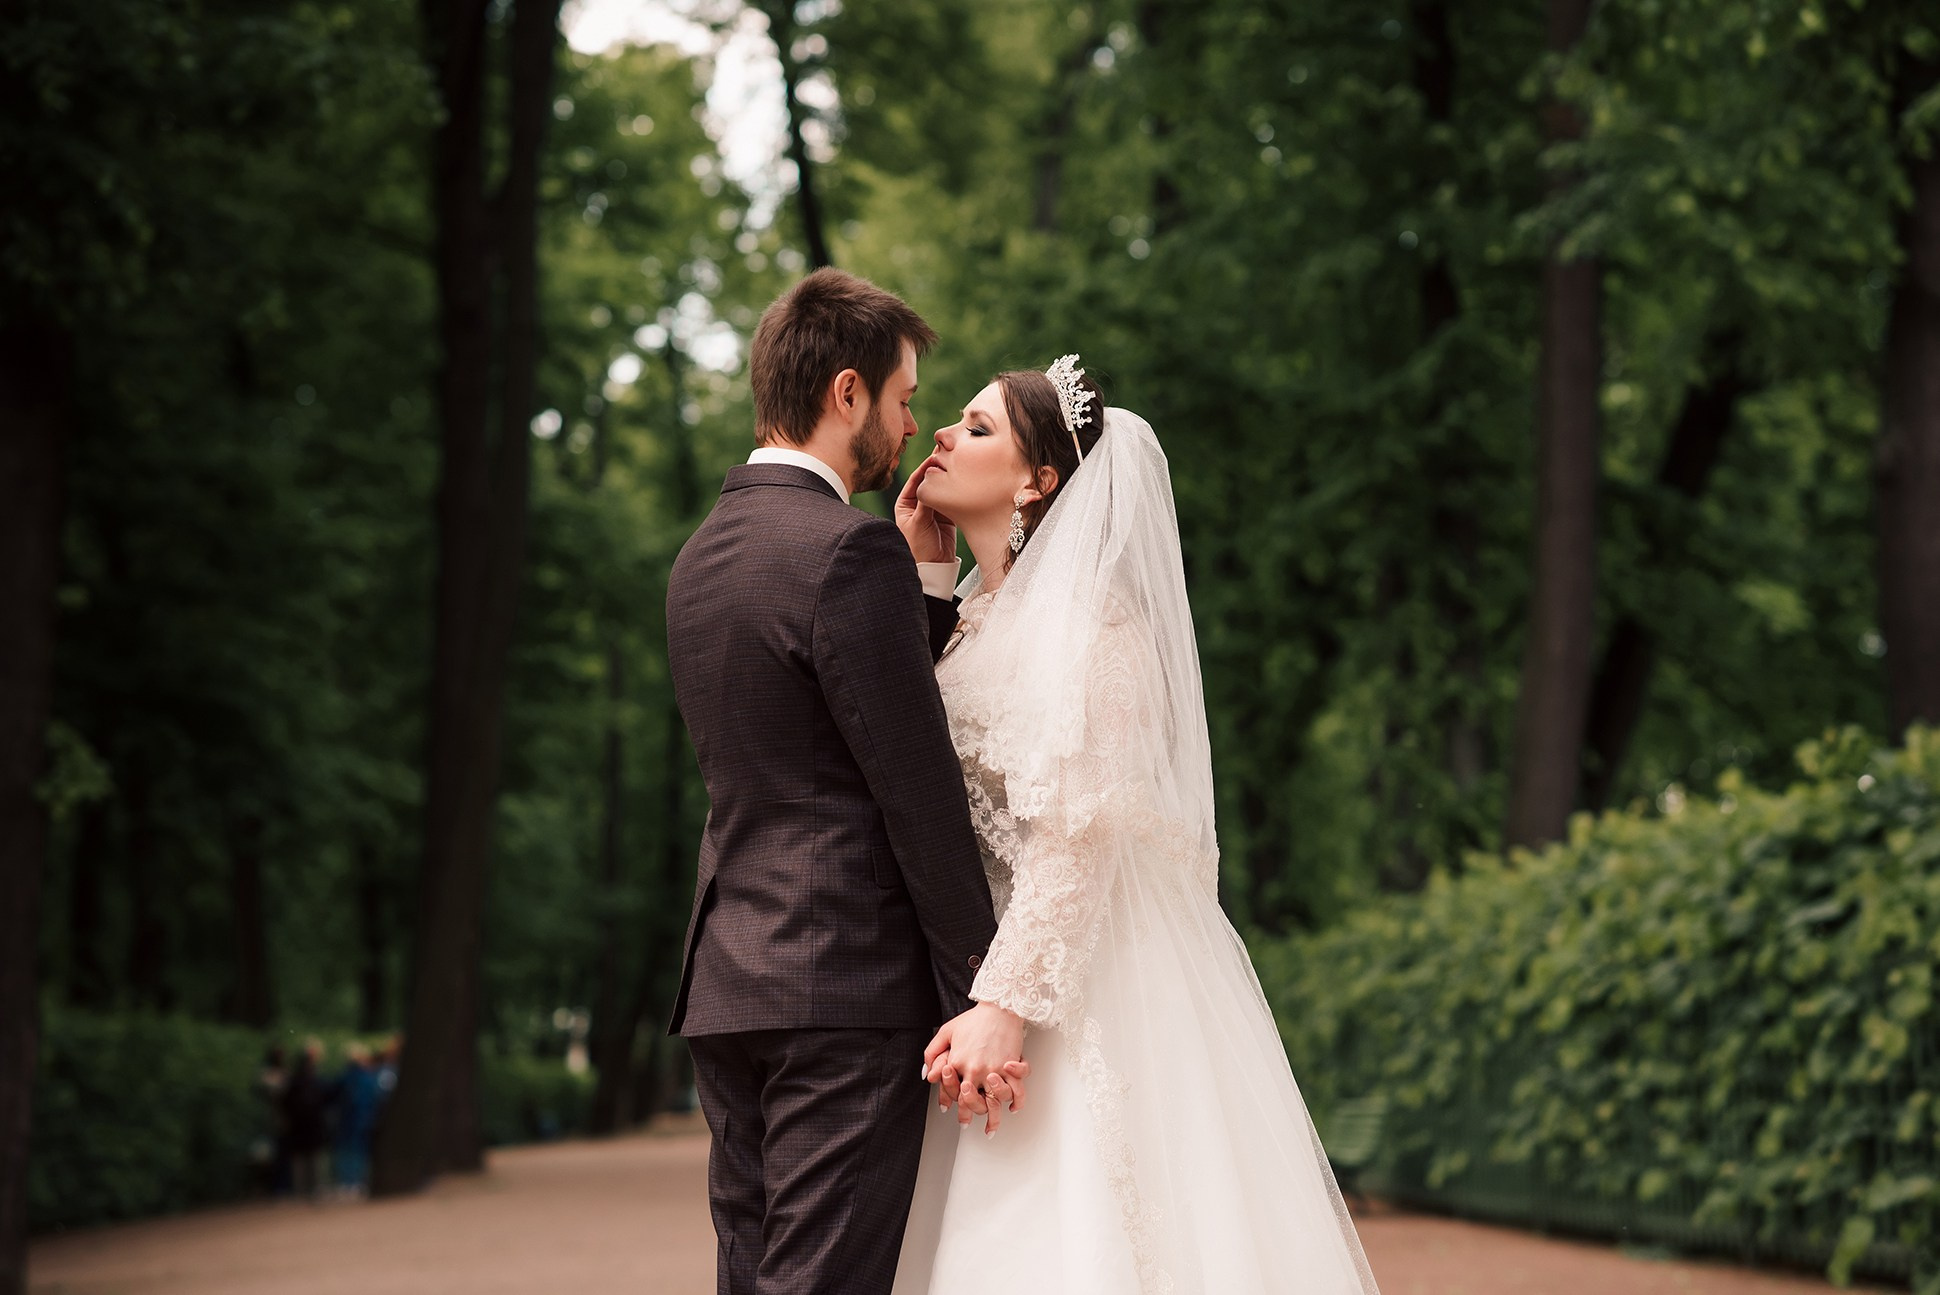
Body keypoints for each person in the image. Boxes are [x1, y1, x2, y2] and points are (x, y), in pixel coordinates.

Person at [889, 357, 1383, 1294]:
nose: (942, 433)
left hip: (1078, 985)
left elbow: (1079, 835)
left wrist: (1006, 1006)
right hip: (978, 978)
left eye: (980, 427)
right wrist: (927, 575)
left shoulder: (1101, 635)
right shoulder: (971, 621)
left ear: (1037, 481)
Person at [664, 268, 1030, 1295]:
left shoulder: (700, 556)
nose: (912, 427)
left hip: (729, 982)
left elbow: (824, 731)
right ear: (846, 392)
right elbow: (913, 785)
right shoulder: (845, 549)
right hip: (842, 989)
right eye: (905, 398)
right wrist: (982, 987)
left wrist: (921, 591)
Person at [280, 1039, 331, 1202]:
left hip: (303, 1125)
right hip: (308, 1125)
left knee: (306, 1159)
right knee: (310, 1159)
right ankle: (311, 1189)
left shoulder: (296, 1079)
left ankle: (305, 1190)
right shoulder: (310, 1079)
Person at [330, 1042, 381, 1198]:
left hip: (348, 1120)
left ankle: (347, 1182)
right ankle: (357, 1182)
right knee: (359, 1152)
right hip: (362, 1120)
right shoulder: (368, 1078)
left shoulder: (345, 1077)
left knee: (347, 1152)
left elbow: (331, 1096)